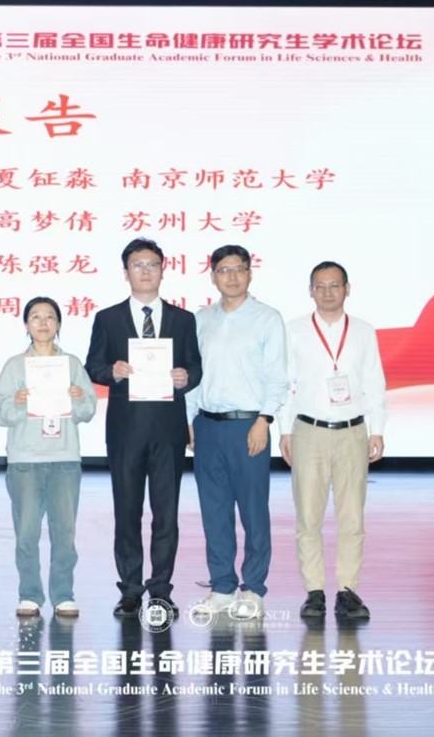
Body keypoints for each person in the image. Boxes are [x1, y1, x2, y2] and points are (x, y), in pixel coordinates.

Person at [85, 237, 202, 618]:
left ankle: (162, 589)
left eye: (152, 263)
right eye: (138, 264)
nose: (146, 270)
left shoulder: (184, 319)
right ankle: (131, 589)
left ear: (163, 269)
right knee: (127, 512)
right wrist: (112, 372)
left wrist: (186, 377)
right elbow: (93, 367)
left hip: (168, 429)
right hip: (125, 430)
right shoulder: (107, 318)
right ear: (126, 272)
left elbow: (196, 368)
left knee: (166, 514)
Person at [279, 261, 386, 621]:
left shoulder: (364, 331)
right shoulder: (293, 330)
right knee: (308, 516)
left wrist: (377, 428)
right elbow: (285, 385)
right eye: (320, 286)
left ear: (348, 289)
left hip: (353, 431)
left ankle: (348, 591)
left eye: (335, 285)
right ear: (310, 290)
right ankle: (314, 592)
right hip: (308, 430)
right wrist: (284, 431)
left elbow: (375, 382)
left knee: (352, 516)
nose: (327, 292)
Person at [186, 244, 286, 622]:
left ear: (250, 273)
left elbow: (278, 377)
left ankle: (255, 588)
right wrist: (189, 419)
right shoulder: (201, 320)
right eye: (224, 270)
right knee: (214, 512)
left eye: (239, 269)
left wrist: (264, 420)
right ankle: (223, 587)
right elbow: (194, 377)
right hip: (207, 426)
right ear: (212, 276)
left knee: (253, 510)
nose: (232, 276)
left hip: (250, 426)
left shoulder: (267, 318)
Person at [0, 296, 97, 618]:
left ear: (59, 324)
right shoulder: (14, 366)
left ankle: (63, 594)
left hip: (64, 458)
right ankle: (30, 594)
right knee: (26, 532)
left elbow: (89, 410)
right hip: (25, 460)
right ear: (26, 324)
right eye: (35, 317)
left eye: (49, 316)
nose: (42, 322)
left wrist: (78, 398)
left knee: (64, 532)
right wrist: (19, 401)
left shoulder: (72, 365)